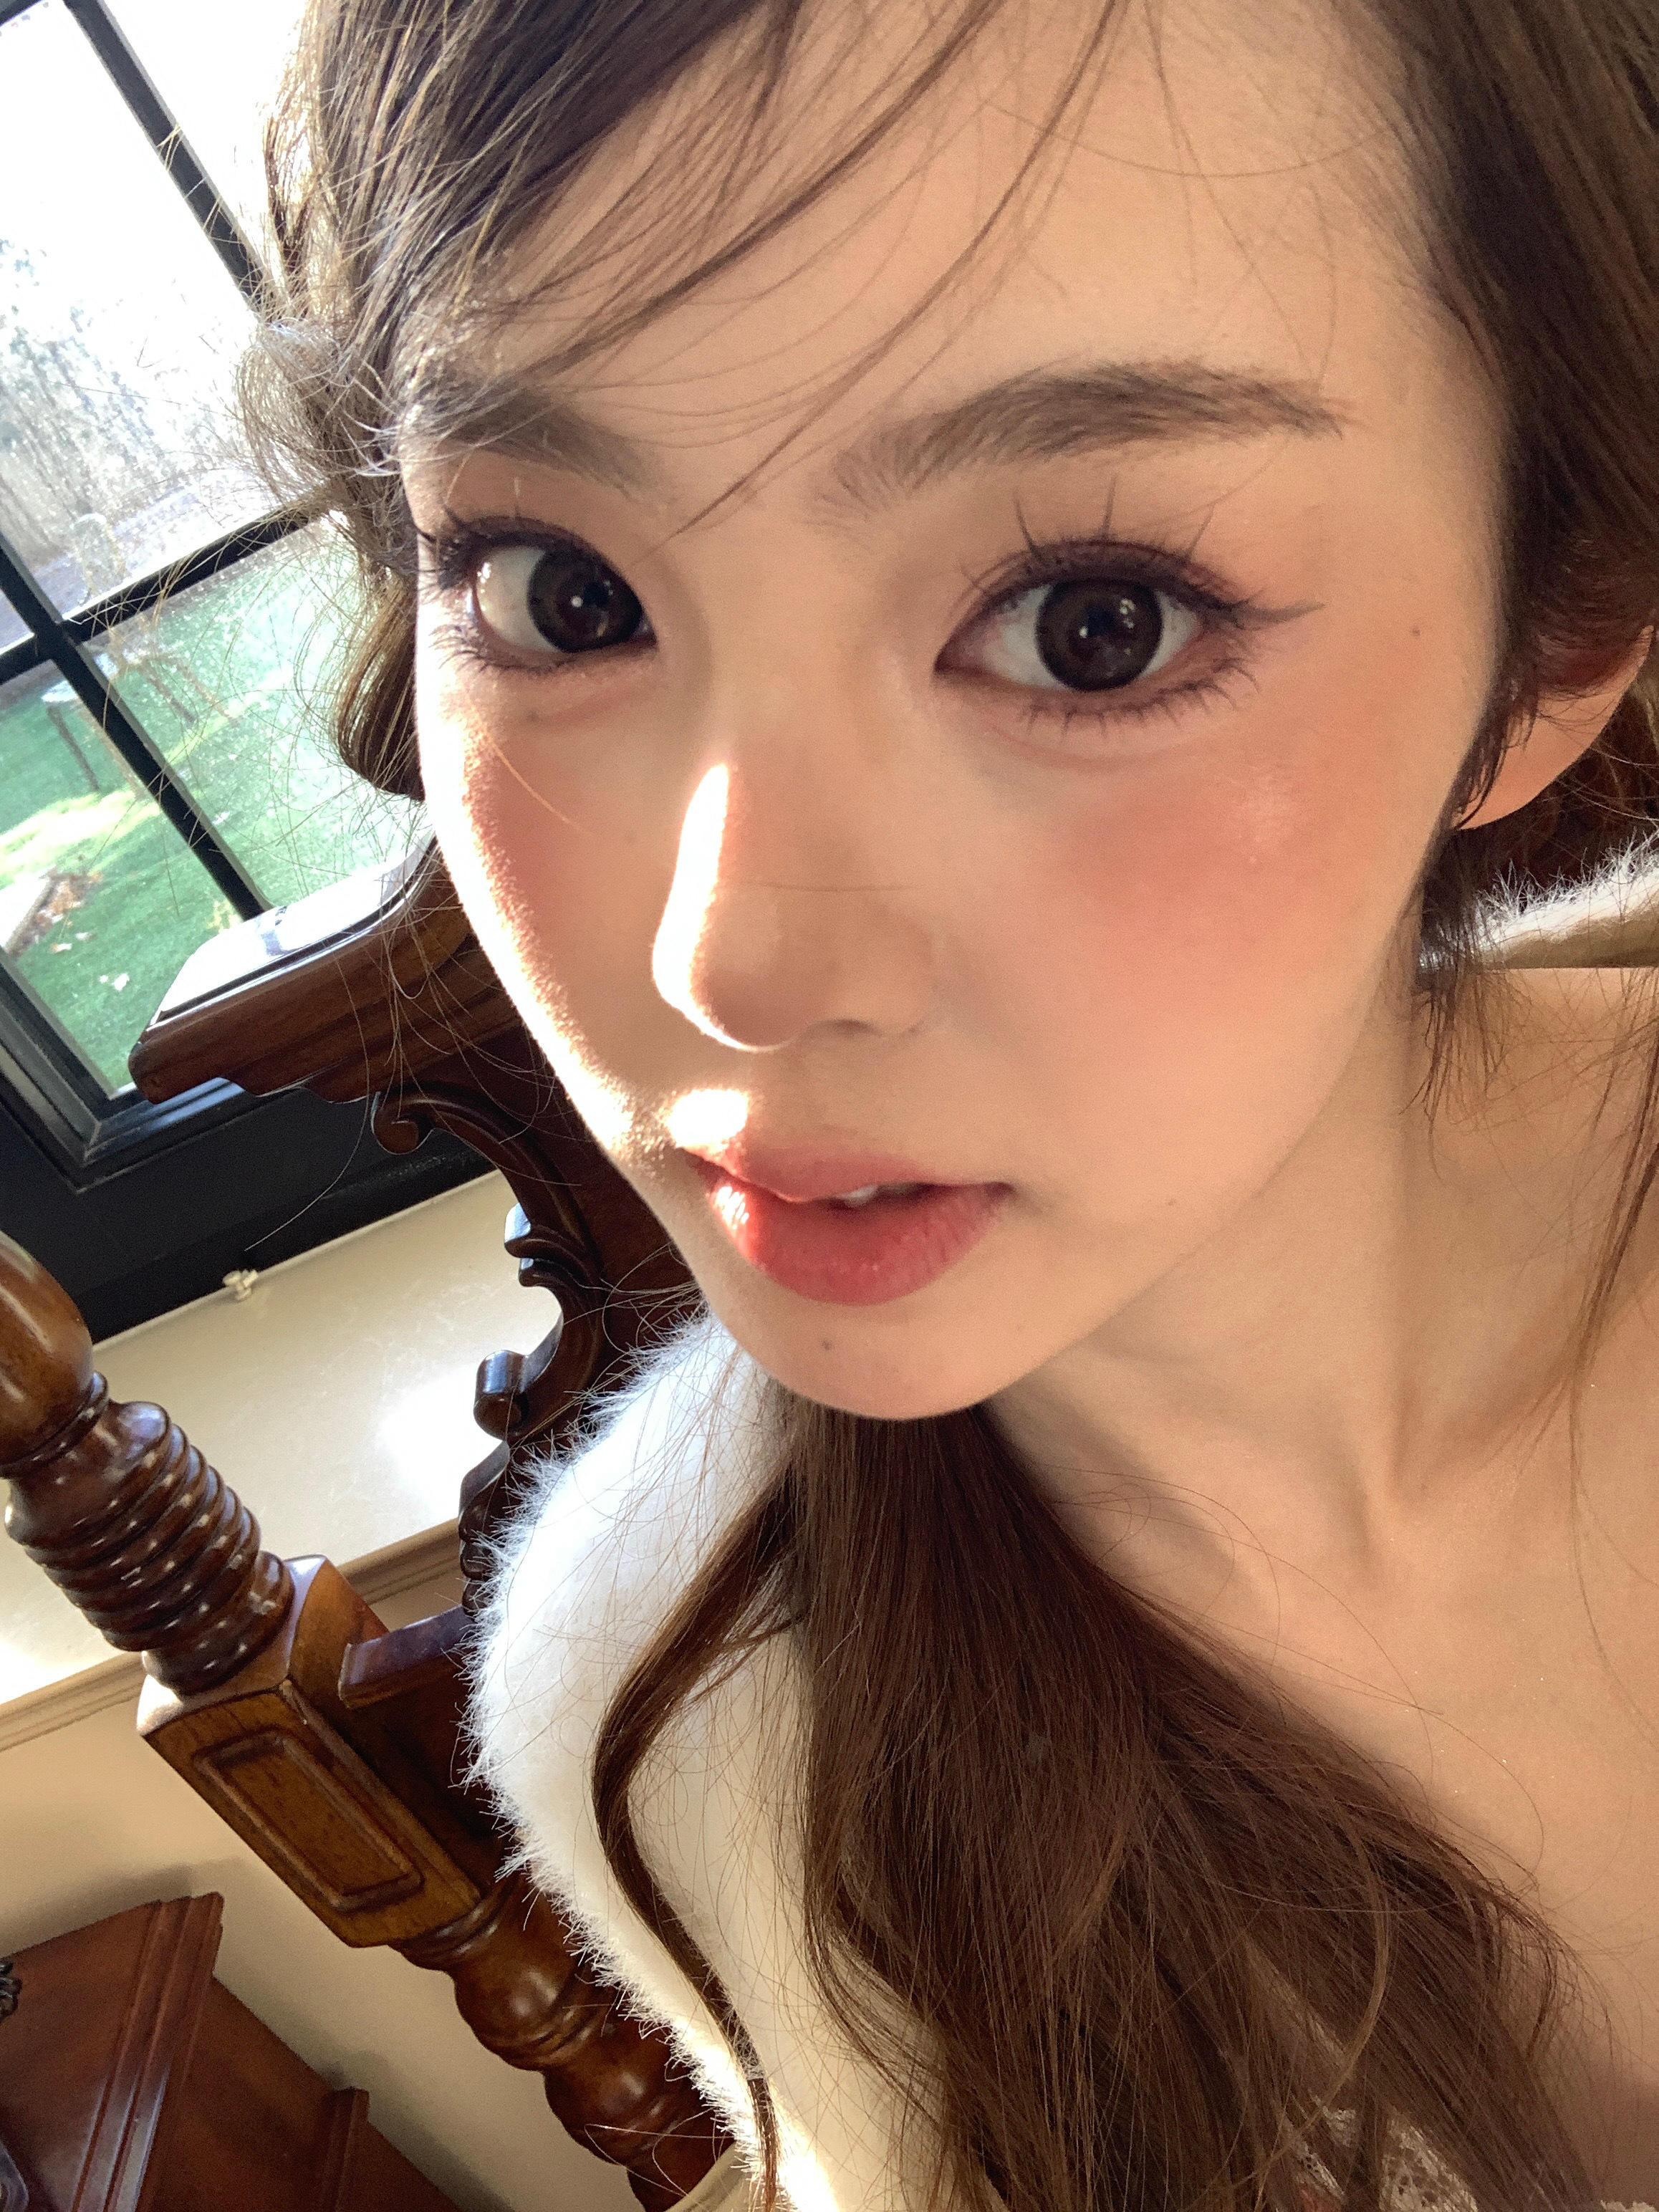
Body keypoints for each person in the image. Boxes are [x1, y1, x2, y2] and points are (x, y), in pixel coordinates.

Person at [250, 1, 1659, 2204]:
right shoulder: (694, 1711)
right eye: (560, 593)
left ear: (1552, 633)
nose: (728, 963)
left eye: (1095, 624)